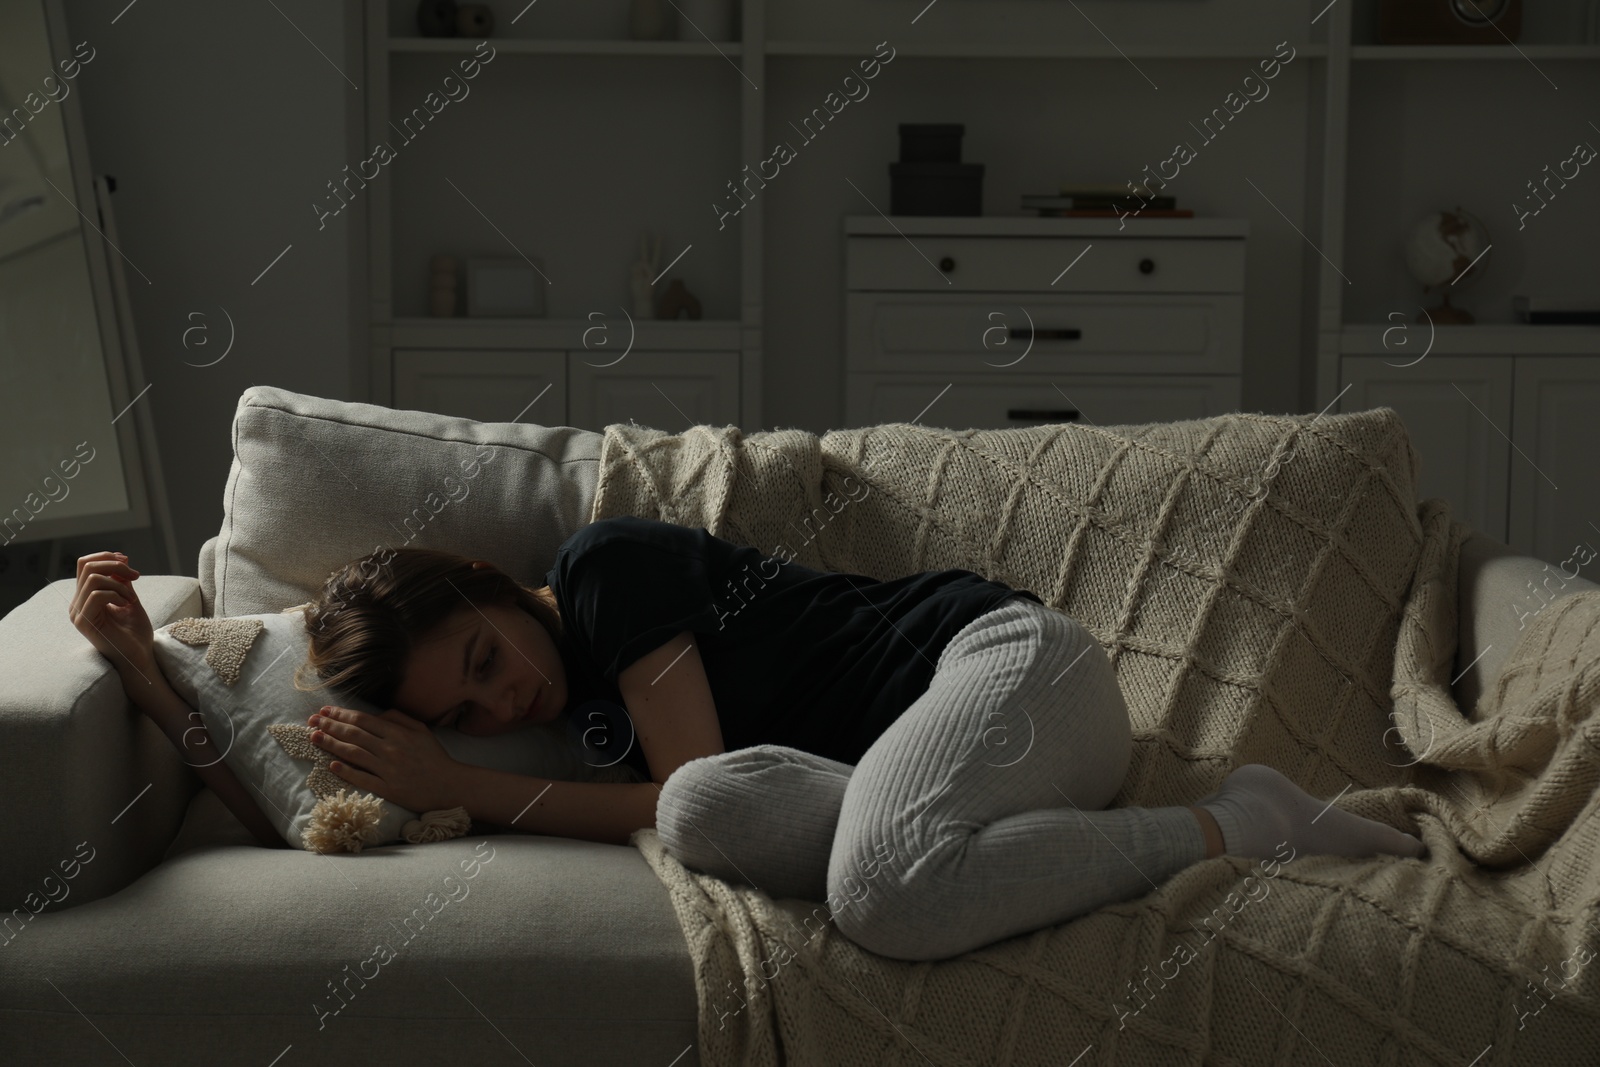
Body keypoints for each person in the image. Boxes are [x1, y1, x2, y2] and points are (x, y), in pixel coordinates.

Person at [72, 516, 1428, 962]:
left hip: (1008, 672)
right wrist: (149, 677)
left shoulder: (605, 575)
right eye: (464, 713)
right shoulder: (545, 725)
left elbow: (678, 778)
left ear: (496, 585)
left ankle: (1238, 821)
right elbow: (290, 817)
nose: (506, 706)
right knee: (717, 819)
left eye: (486, 660)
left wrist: (465, 784)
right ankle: (1003, 851)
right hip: (888, 779)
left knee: (866, 883)